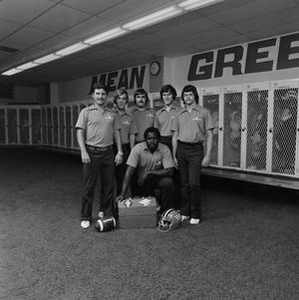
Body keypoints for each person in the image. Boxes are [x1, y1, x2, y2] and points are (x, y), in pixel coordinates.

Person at [76, 83, 123, 229]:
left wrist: (120, 151)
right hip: (91, 152)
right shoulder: (86, 112)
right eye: (97, 94)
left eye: (103, 94)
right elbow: (79, 132)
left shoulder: (112, 113)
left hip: (108, 152)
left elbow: (117, 133)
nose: (100, 96)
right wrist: (83, 151)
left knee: (108, 185)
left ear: (106, 96)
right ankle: (86, 216)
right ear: (93, 95)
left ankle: (106, 211)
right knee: (89, 186)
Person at [171, 84, 214, 225]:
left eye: (190, 94)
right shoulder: (179, 114)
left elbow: (210, 133)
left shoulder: (203, 112)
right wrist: (173, 155)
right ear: (182, 98)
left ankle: (195, 213)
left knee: (194, 184)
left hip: (196, 150)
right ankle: (185, 212)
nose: (187, 97)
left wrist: (207, 155)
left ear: (195, 96)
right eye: (185, 95)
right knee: (184, 184)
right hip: (181, 149)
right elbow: (175, 135)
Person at [116, 127, 176, 214]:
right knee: (144, 203)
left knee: (168, 182)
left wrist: (149, 172)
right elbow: (129, 172)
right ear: (145, 139)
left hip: (156, 177)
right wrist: (122, 193)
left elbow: (170, 171)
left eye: (155, 138)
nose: (152, 141)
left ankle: (166, 211)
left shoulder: (165, 149)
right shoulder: (137, 148)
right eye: (149, 139)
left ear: (159, 139)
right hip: (141, 180)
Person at [154, 84, 181, 209]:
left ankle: (176, 205)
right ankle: (163, 204)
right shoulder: (158, 113)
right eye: (164, 95)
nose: (166, 97)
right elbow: (155, 132)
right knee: (165, 174)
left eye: (169, 94)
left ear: (173, 96)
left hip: (177, 142)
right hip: (163, 143)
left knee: (177, 173)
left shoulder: (180, 110)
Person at [113, 88, 138, 195]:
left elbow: (132, 134)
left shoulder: (130, 117)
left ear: (126, 101)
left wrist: (132, 151)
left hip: (125, 148)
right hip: (110, 148)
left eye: (124, 99)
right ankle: (105, 207)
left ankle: (120, 203)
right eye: (119, 98)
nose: (121, 101)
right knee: (108, 178)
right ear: (115, 100)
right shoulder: (110, 114)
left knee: (121, 177)